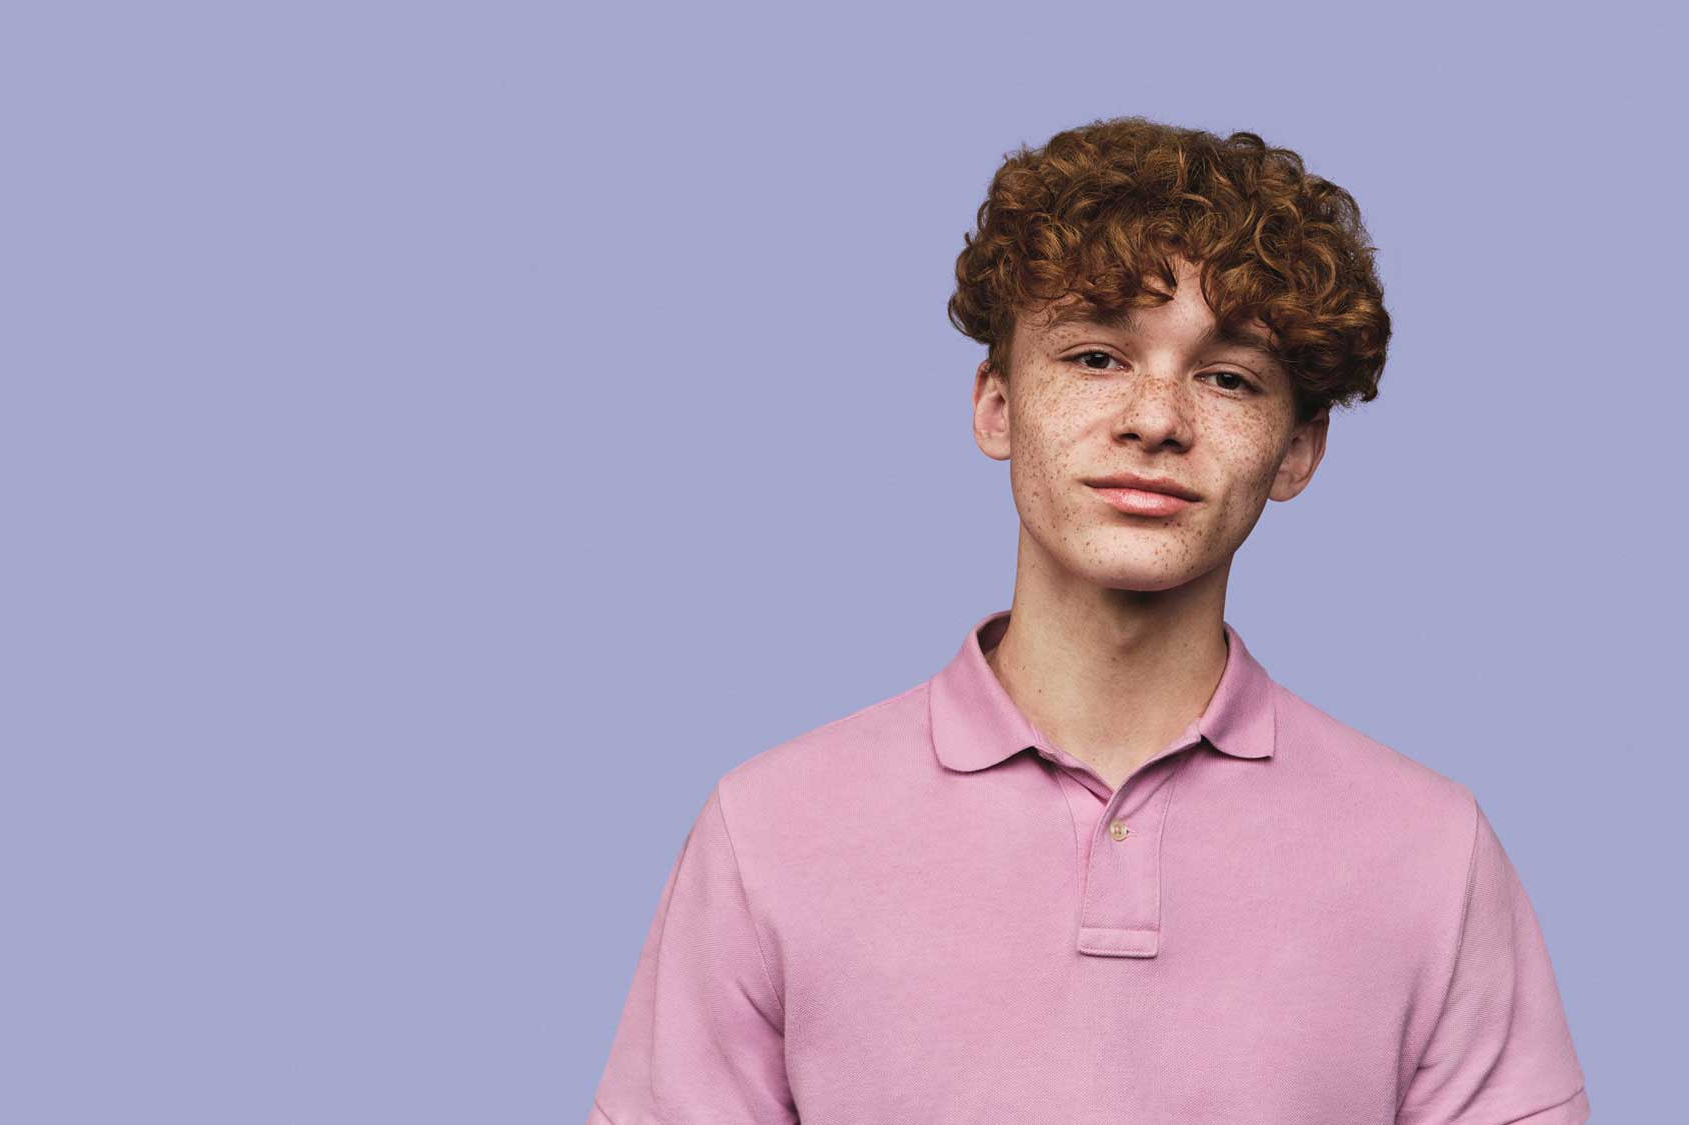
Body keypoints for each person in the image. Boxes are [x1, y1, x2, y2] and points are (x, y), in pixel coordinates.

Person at [586, 117, 1587, 1123]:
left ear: (1295, 451)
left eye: (1227, 376)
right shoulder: (769, 829)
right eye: (1095, 357)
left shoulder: (1429, 852)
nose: (1155, 419)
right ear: (995, 406)